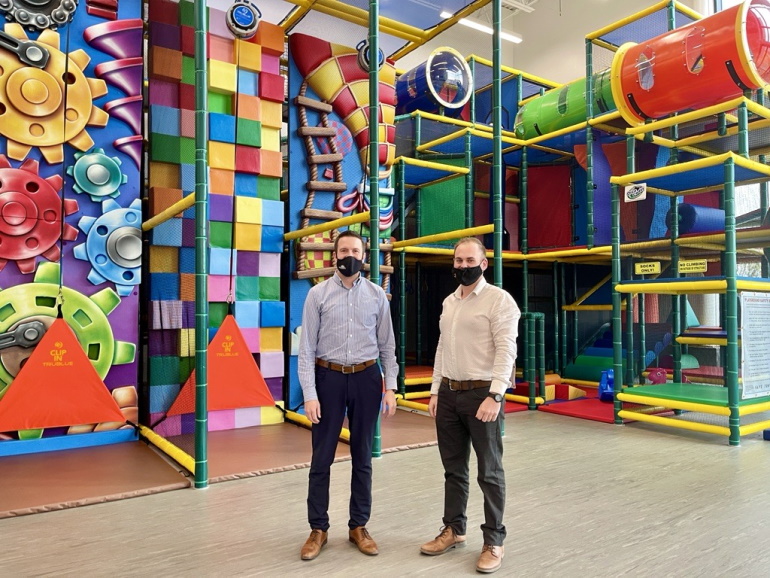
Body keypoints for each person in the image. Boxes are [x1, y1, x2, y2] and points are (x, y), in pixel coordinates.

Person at [420, 237, 520, 574]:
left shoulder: (499, 301)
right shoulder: (450, 302)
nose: (463, 266)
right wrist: (435, 391)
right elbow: (442, 349)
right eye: (459, 261)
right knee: (454, 470)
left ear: (484, 263)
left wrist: (495, 395)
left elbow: (507, 351)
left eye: (470, 260)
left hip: (482, 396)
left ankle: (494, 541)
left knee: (489, 472)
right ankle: (454, 529)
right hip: (448, 393)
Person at [297, 229, 398, 561]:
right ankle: (318, 529)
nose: (349, 255)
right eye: (343, 250)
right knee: (321, 458)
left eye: (355, 249)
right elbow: (306, 349)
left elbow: (388, 346)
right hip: (329, 379)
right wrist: (310, 394)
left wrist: (391, 387)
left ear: (365, 255)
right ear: (334, 255)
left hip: (367, 379)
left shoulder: (376, 296)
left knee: (363, 457)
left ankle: (359, 526)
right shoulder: (317, 296)